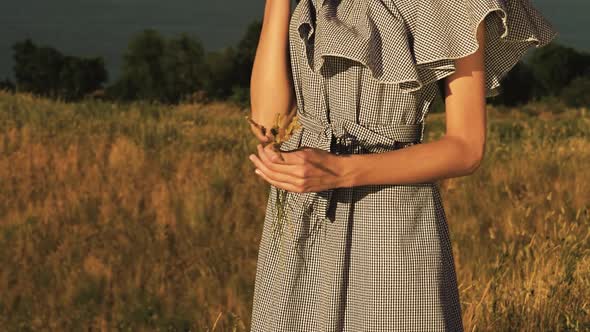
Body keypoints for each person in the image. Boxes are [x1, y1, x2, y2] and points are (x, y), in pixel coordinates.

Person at [247, 0, 557, 330]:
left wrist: (341, 171)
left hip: (388, 219)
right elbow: (270, 125)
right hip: (303, 218)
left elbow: (467, 148)